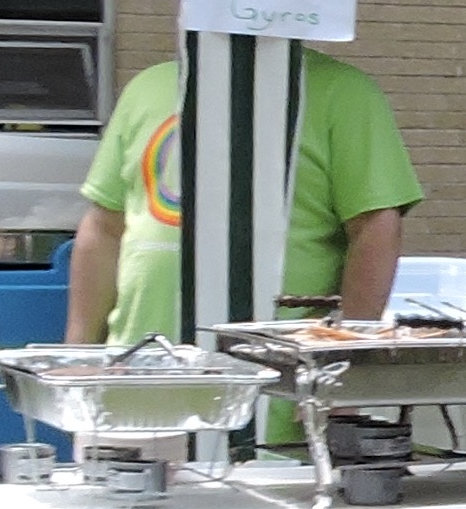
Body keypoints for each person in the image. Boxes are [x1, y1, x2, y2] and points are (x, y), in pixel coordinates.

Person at [69, 45, 420, 343]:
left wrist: (347, 356)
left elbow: (374, 227)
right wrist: (79, 352)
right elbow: (104, 228)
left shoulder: (344, 93)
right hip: (135, 365)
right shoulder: (148, 87)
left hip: (281, 379)